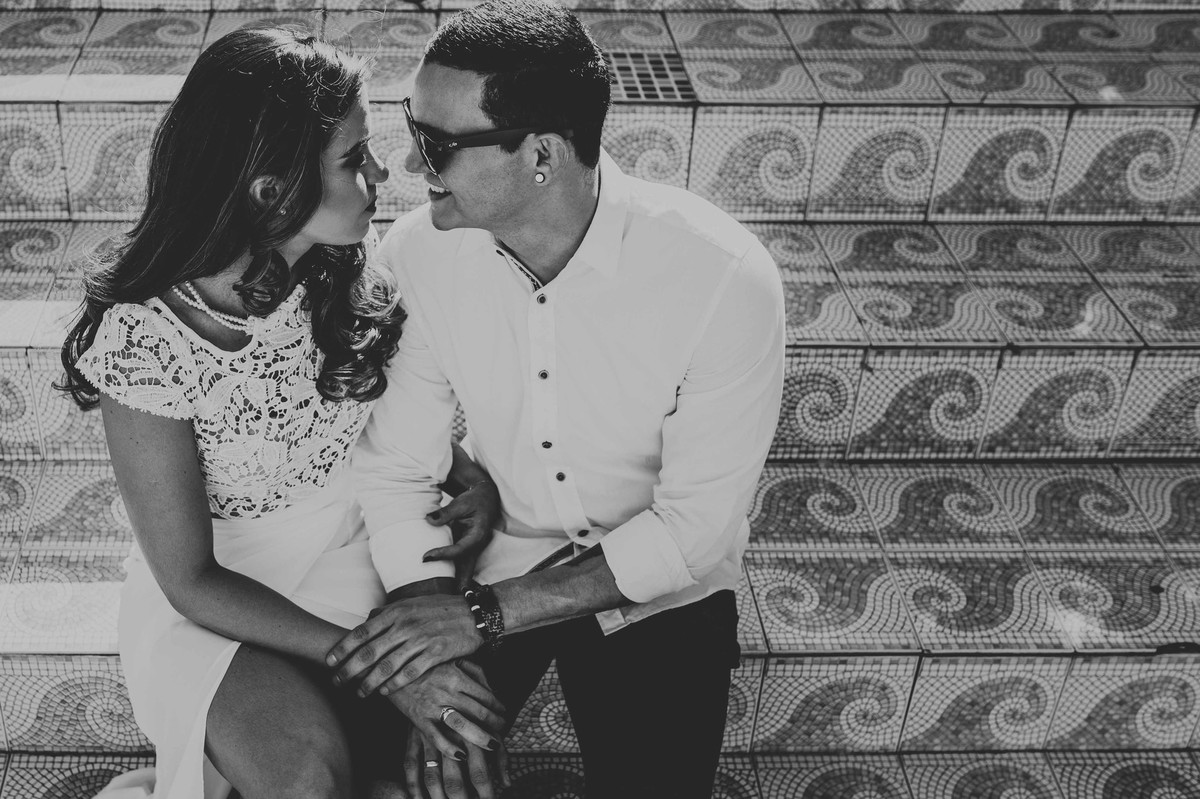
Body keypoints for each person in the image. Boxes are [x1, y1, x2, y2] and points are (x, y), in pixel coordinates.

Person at [328, 2, 786, 796]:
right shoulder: (419, 254)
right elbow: (397, 465)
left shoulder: (723, 278)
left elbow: (696, 528)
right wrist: (431, 642)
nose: (407, 163)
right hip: (501, 547)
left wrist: (486, 615)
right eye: (411, 127)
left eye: (435, 143)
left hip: (662, 584)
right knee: (395, 783)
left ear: (540, 152)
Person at [60, 28, 506, 799]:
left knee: (454, 766)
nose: (380, 173)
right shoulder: (143, 338)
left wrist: (464, 471)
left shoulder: (345, 265)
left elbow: (366, 413)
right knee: (307, 781)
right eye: (354, 158)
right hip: (218, 601)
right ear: (271, 191)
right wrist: (383, 664)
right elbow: (190, 579)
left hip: (355, 555)